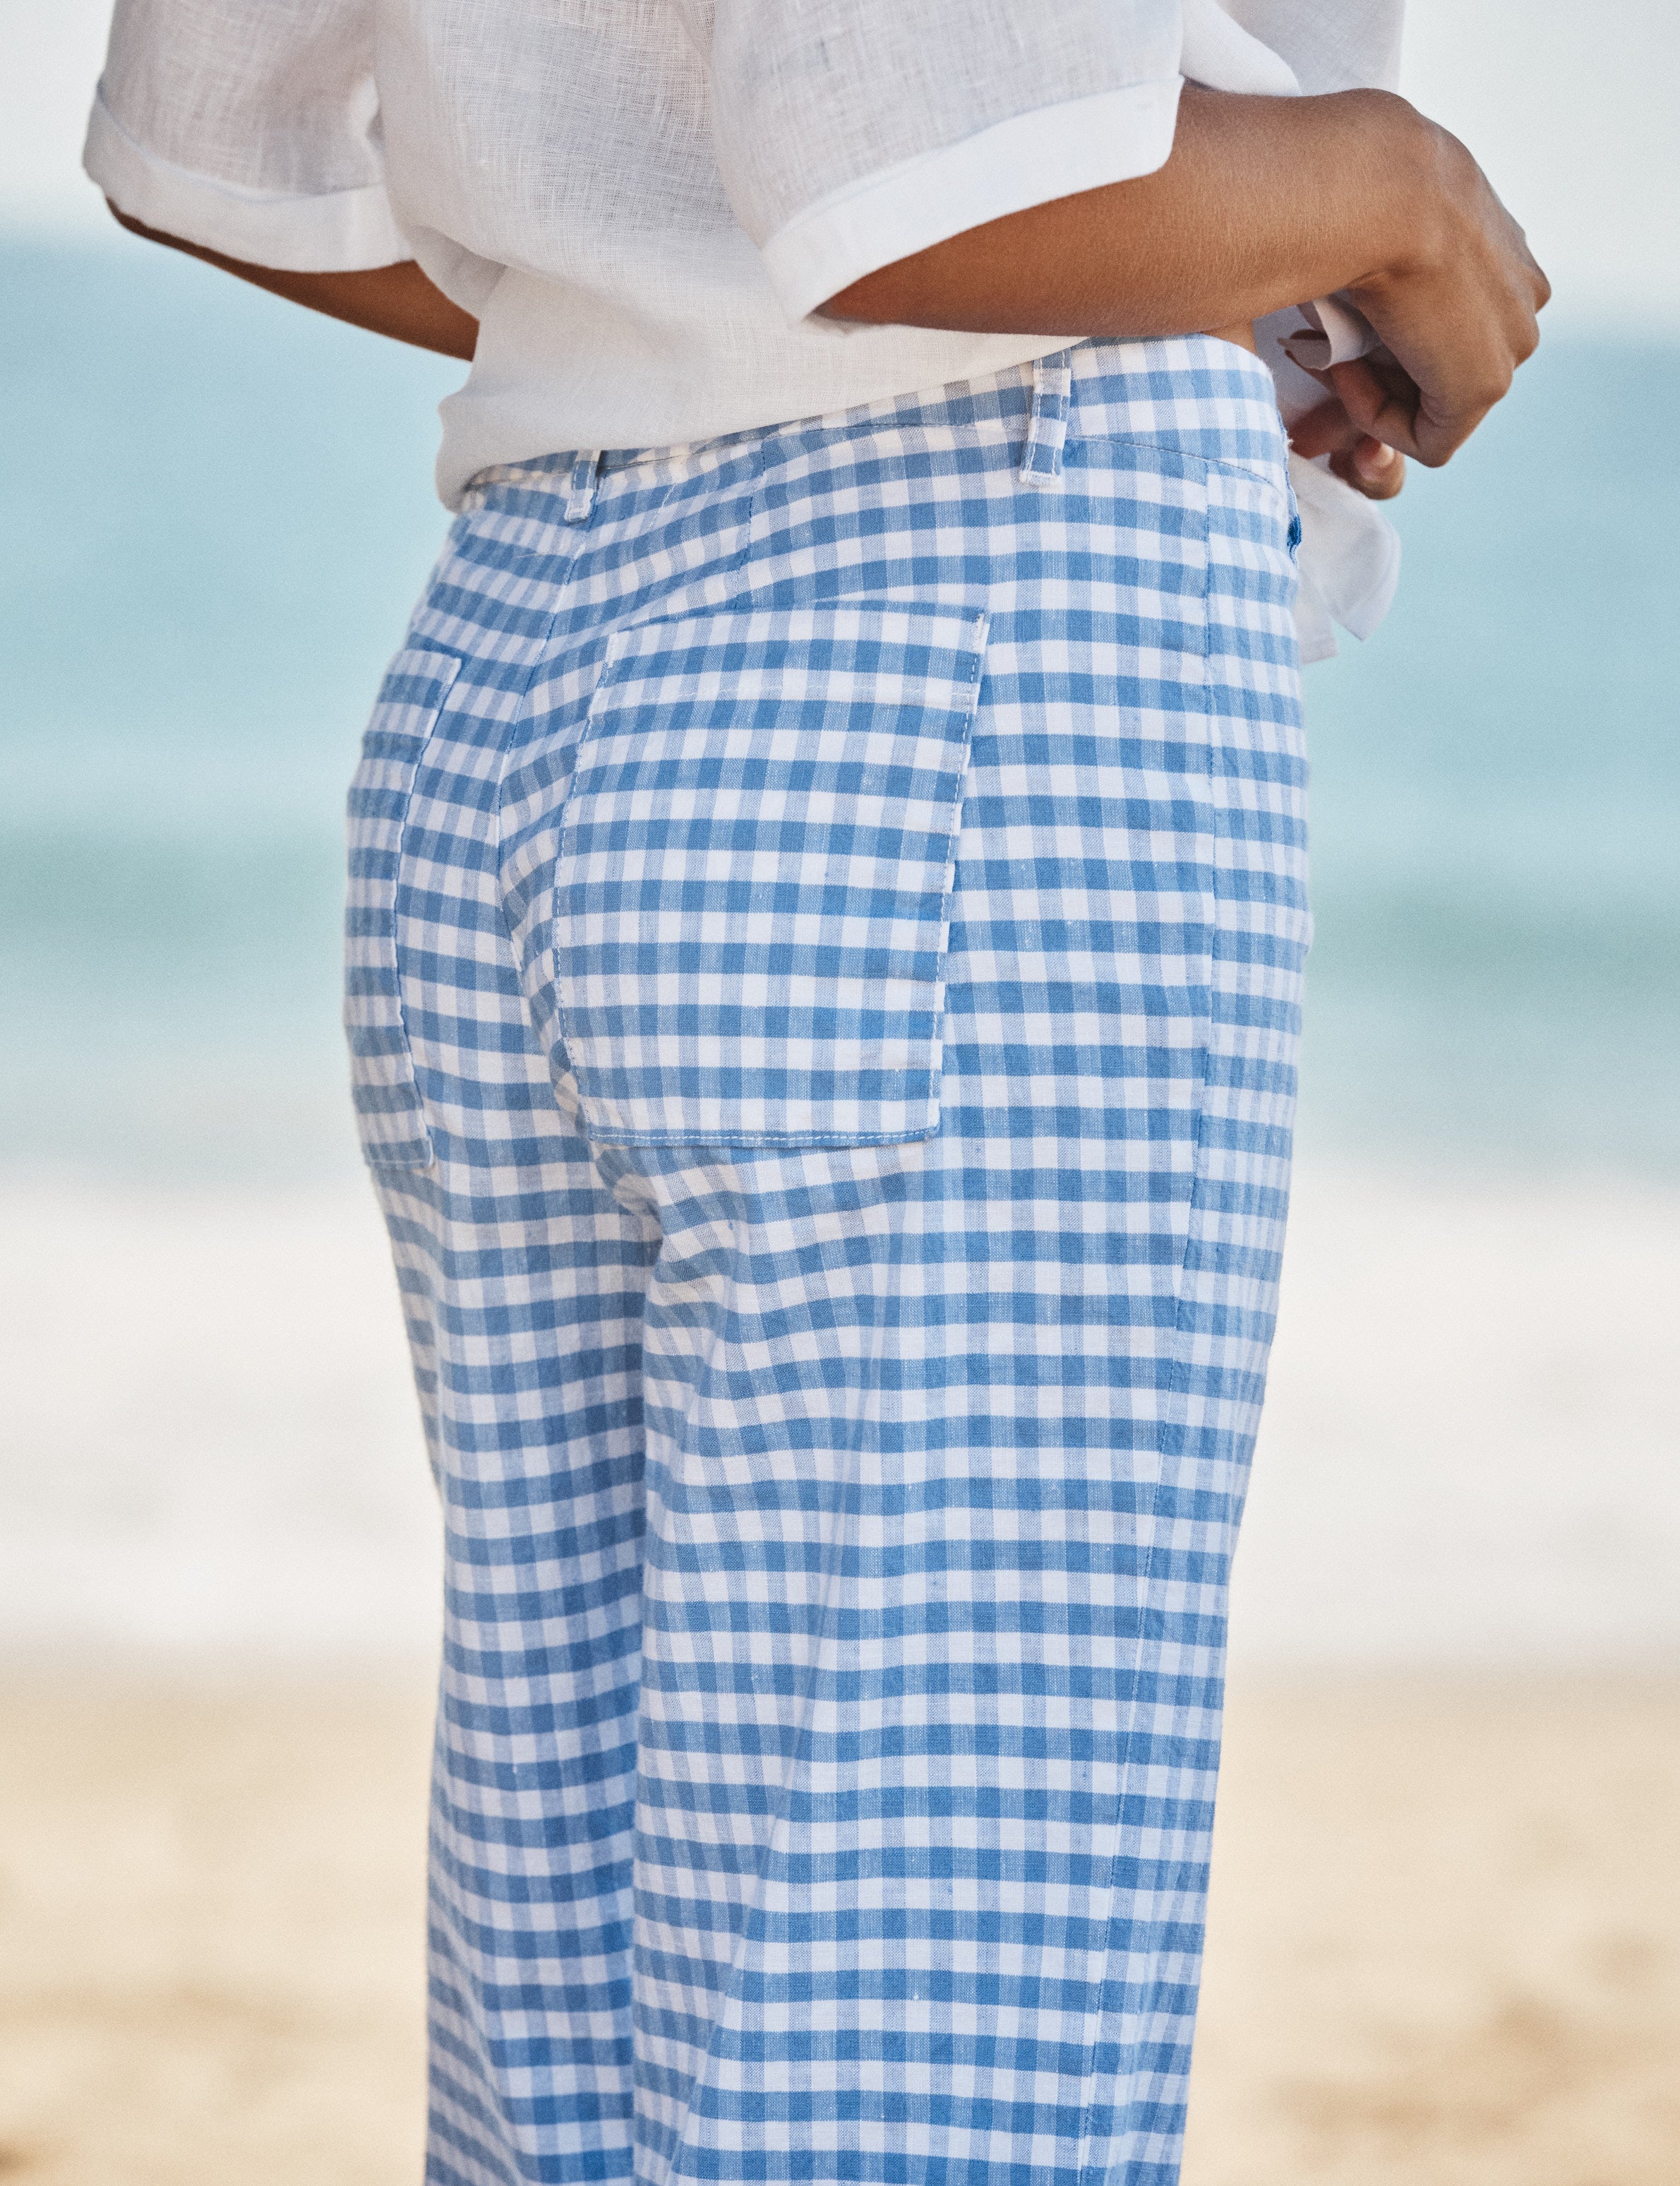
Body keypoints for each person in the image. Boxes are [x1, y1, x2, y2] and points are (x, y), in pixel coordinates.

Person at [85, 7, 1546, 2184]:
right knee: (914, 2058)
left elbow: (216, 148)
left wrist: (654, 288)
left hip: (520, 664)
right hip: (962, 623)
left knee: (566, 2042)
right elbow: (931, 165)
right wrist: (1386, 187)